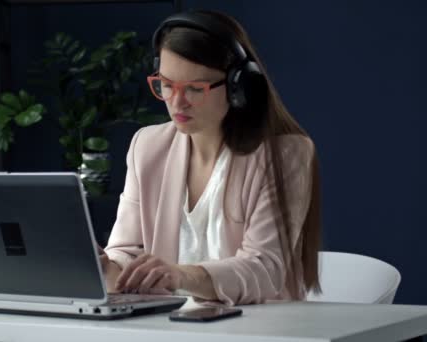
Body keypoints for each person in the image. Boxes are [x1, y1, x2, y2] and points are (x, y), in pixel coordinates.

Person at [99, 9, 322, 306]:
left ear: (237, 87)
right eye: (166, 84)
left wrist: (179, 276)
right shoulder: (148, 146)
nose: (177, 102)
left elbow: (264, 269)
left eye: (194, 88)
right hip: (168, 328)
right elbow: (127, 251)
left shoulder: (285, 155)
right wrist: (105, 267)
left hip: (258, 330)